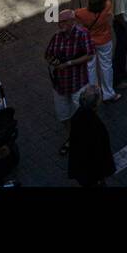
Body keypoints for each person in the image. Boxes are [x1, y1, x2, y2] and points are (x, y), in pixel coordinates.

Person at [46, 10, 95, 154]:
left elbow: (90, 55)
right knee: (63, 115)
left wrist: (68, 63)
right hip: (60, 85)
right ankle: (72, 137)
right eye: (59, 22)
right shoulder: (57, 36)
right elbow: (47, 54)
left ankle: (82, 140)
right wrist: (53, 61)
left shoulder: (82, 34)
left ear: (72, 21)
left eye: (63, 21)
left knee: (81, 114)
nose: (60, 25)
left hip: (77, 82)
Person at [73, 0, 119, 102]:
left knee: (90, 68)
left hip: (89, 42)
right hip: (104, 40)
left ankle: (94, 95)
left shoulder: (82, 13)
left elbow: (71, 9)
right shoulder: (106, 8)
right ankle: (108, 93)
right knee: (106, 66)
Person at [66, 84, 116, 187]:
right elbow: (102, 150)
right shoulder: (96, 125)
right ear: (96, 104)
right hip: (92, 171)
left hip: (81, 167)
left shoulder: (77, 117)